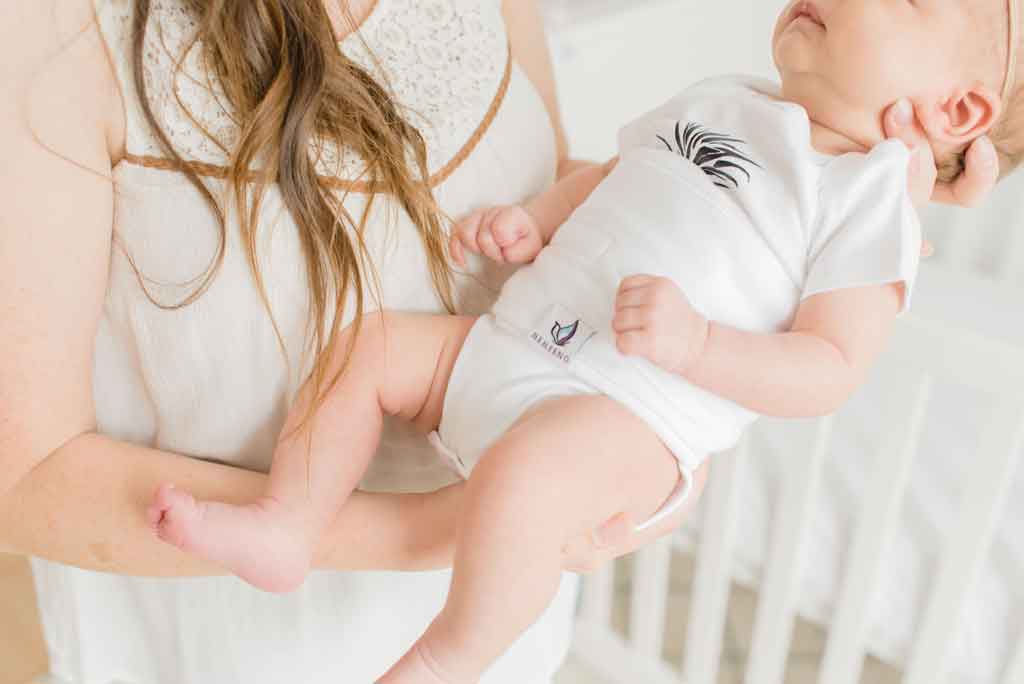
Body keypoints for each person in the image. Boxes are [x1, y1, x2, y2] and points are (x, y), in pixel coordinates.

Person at [0, 1, 1002, 684]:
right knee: (371, 348)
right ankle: (286, 519)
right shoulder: (732, 98)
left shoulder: (872, 203)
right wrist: (544, 217)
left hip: (611, 405)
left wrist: (697, 355)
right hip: (499, 361)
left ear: (960, 109)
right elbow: (625, 176)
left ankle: (447, 657)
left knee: (531, 471)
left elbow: (827, 369)